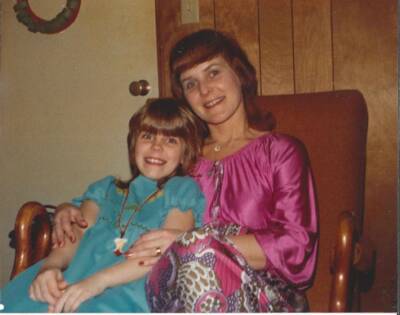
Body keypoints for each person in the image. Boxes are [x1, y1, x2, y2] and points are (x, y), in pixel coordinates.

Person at [50, 29, 318, 312]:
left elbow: (295, 245)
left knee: (192, 256)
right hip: (172, 289)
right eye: (191, 83)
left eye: (213, 72)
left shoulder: (280, 152)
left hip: (263, 293)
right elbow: (130, 203)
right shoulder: (182, 160)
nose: (204, 90)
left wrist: (193, 244)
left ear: (239, 74)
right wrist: (70, 209)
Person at [1, 98, 205, 313]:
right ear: (133, 143)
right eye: (147, 136)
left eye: (171, 140)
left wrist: (99, 282)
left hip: (127, 289)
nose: (156, 146)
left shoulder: (181, 191)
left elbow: (164, 252)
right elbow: (74, 235)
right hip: (76, 277)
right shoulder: (105, 189)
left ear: (185, 153)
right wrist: (50, 267)